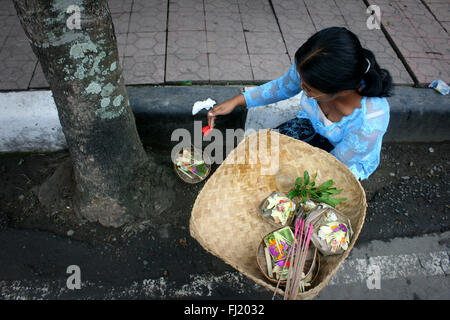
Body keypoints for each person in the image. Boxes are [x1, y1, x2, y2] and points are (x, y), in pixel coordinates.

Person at [207, 27, 393, 181]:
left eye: (308, 89)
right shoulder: (310, 67)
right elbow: (282, 87)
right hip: (311, 128)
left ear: (340, 91)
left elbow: (332, 166)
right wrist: (238, 101)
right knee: (258, 158)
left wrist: (288, 171)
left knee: (290, 188)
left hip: (342, 161)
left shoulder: (369, 123)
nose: (300, 87)